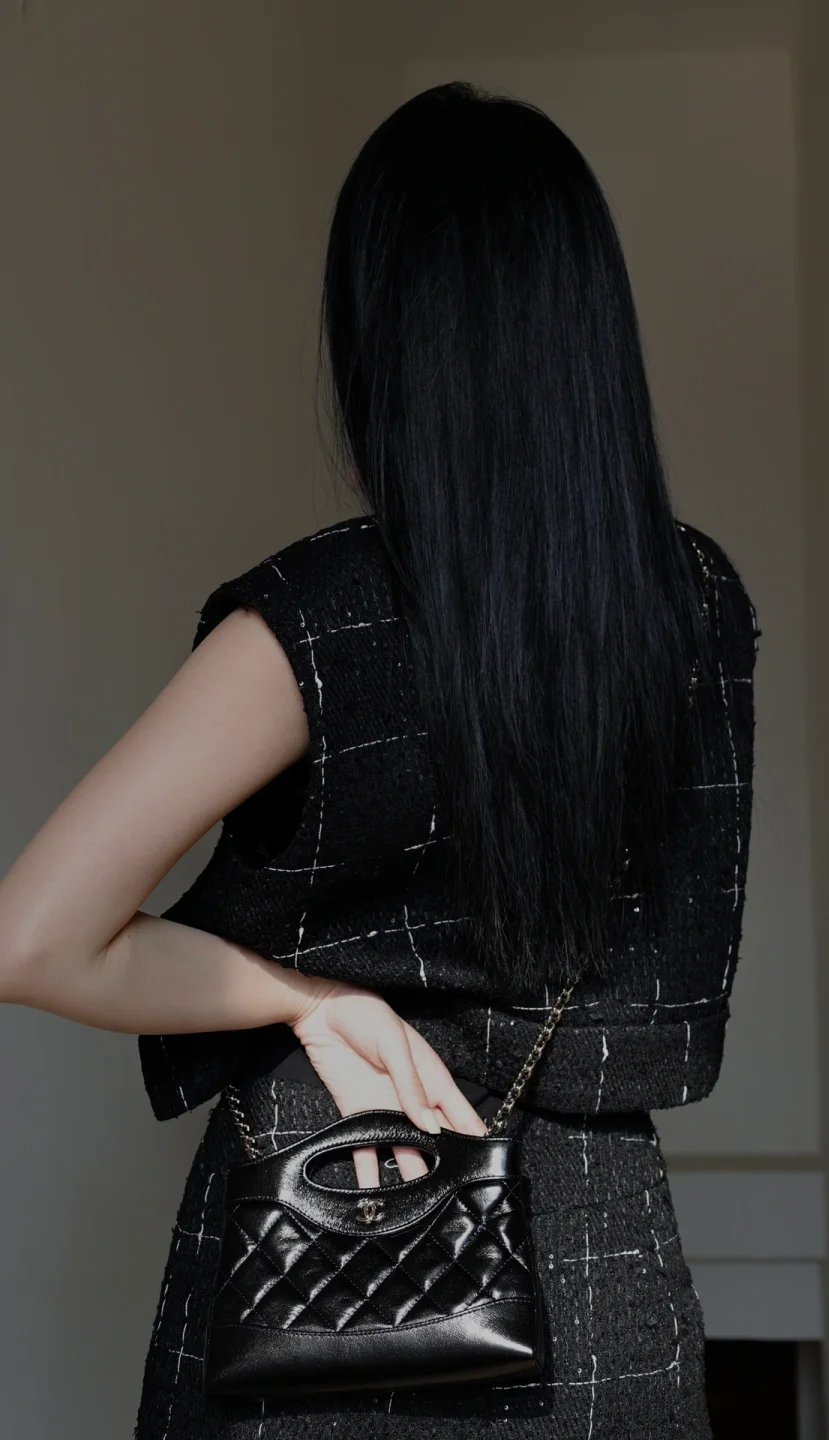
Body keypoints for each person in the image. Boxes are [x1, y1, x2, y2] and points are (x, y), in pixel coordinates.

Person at [0, 81, 760, 1438]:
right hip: (601, 1266)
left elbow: (34, 939)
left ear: (383, 344)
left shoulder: (317, 623)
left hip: (324, 1238)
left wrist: (305, 1000)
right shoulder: (696, 608)